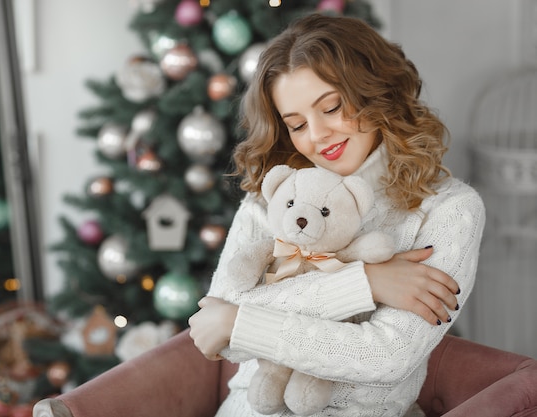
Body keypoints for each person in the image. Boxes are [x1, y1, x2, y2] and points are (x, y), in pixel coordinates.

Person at [188, 13, 486, 417]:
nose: (316, 136)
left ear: (376, 93)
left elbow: (387, 356)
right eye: (295, 124)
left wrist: (242, 319)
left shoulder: (449, 209)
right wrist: (364, 283)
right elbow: (216, 331)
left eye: (331, 107)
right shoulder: (273, 199)